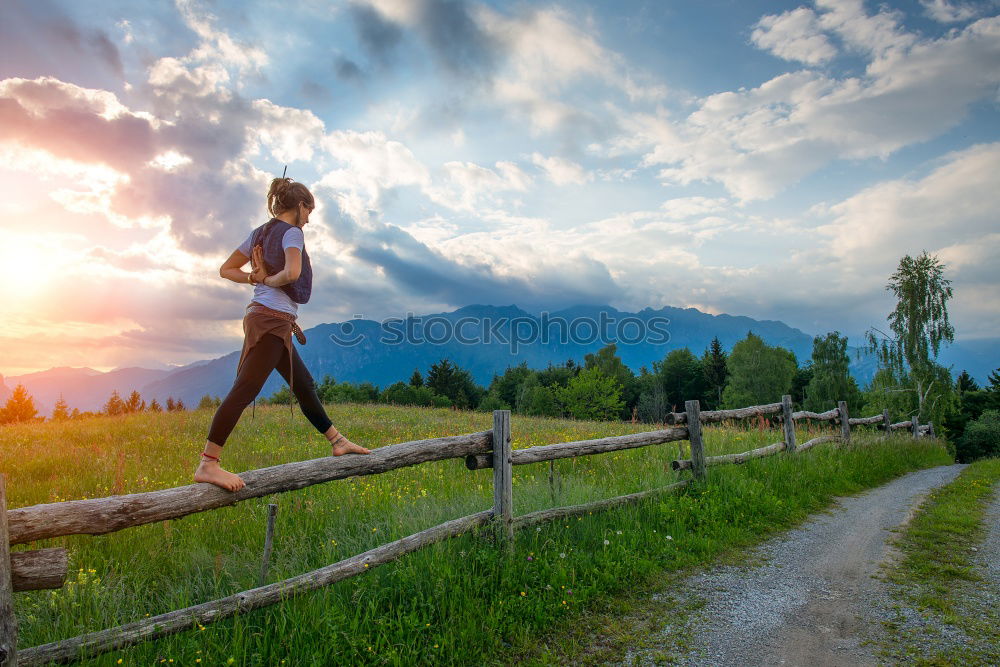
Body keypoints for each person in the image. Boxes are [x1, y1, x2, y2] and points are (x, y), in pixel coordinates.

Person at [194, 177, 370, 492]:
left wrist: (253, 278)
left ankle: (337, 440)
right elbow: (292, 273)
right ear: (300, 205)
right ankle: (208, 463)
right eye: (309, 210)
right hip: (271, 320)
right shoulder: (292, 233)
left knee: (303, 385)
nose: (309, 218)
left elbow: (226, 269)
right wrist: (269, 279)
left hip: (267, 320)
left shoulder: (258, 233)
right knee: (245, 389)